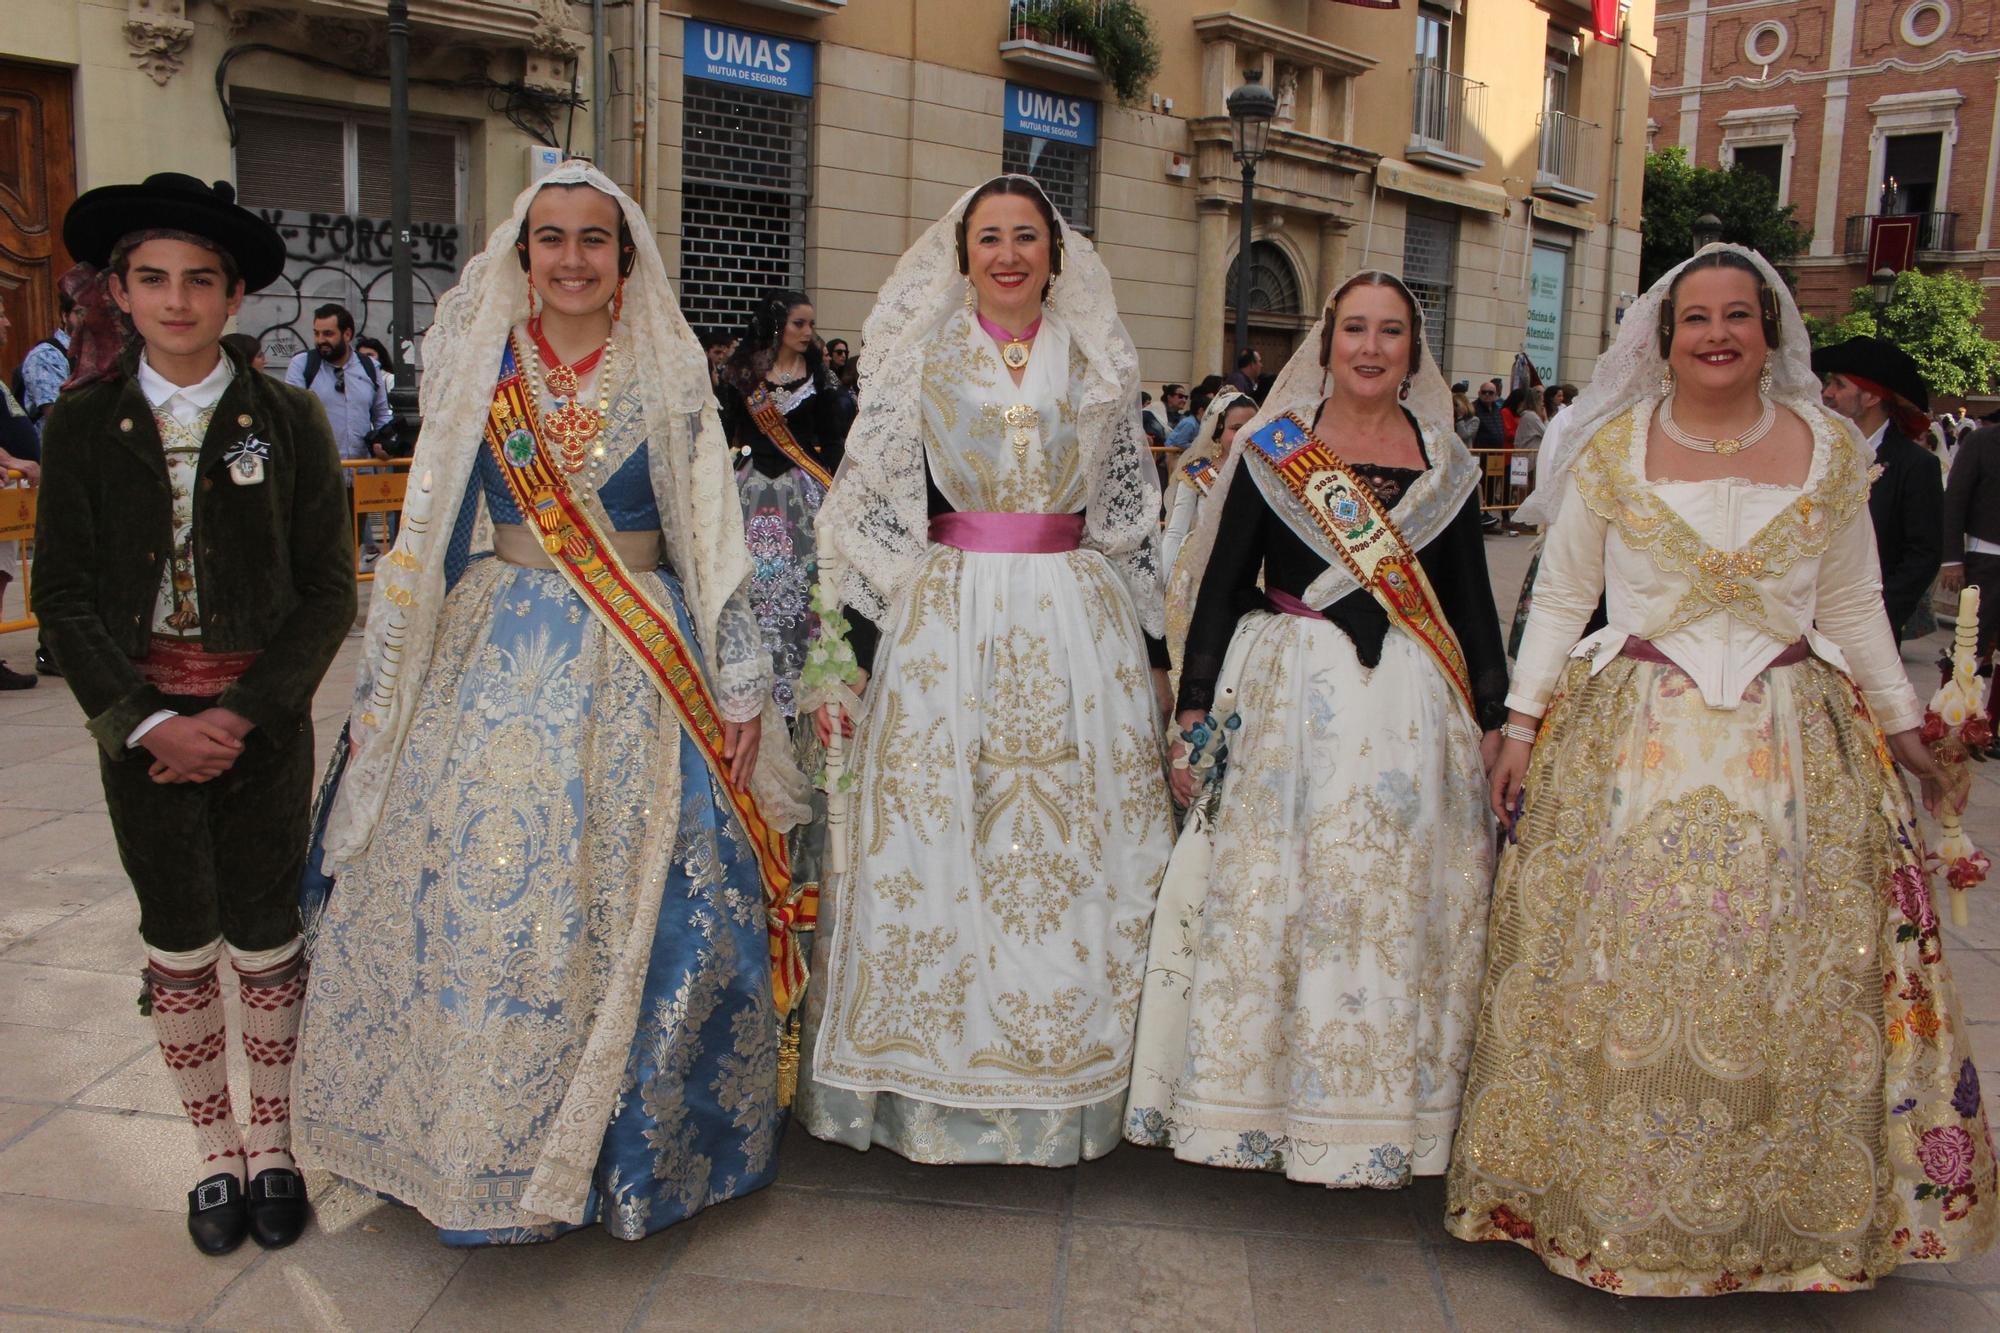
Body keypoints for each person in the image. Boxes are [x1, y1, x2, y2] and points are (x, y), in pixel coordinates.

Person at [1449, 245, 1995, 1294]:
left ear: (1767, 332)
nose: (1713, 334)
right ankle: (1606, 1207)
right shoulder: (1613, 447)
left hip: (1789, 746)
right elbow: (1562, 599)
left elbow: (1851, 608)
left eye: (1734, 316)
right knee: (1628, 963)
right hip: (1633, 740)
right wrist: (1519, 725)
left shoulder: (1830, 452)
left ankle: (1778, 1216)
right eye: (1693, 317)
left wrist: (1904, 732)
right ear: (1663, 340)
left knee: (1783, 971)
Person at [293, 161, 810, 1247]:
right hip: (498, 641)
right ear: (520, 254)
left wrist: (738, 671)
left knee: (639, 888)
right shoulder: (482, 368)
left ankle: (635, 1153)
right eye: (551, 239)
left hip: (640, 650)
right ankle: (476, 1131)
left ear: (625, 260)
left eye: (593, 239)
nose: (571, 258)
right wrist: (392, 675)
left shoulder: (667, 373)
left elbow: (710, 528)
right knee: (490, 880)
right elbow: (428, 531)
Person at [797, 174, 1174, 1166]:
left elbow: (1131, 523)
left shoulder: (1097, 361)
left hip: (1076, 623)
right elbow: (859, 517)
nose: (1007, 253)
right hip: (947, 622)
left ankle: (1076, 1084)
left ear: (1054, 252)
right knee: (943, 846)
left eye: (1025, 236)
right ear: (961, 254)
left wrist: (1154, 655)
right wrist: (841, 660)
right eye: (988, 237)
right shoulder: (918, 357)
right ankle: (930, 1085)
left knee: (1071, 850)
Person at [1126, 272, 1506, 1186]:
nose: (1371, 349)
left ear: (1414, 348)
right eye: (1355, 331)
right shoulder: (1274, 449)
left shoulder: (1446, 460)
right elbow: (1221, 588)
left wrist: (1496, 714)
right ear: (1326, 342)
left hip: (1413, 715)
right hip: (1293, 699)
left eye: (1391, 333)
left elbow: (1470, 604)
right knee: (1282, 896)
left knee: (1389, 909)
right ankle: (1255, 1102)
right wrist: (1192, 707)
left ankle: (1385, 1114)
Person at [34, 172, 354, 1255]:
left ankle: (274, 1144)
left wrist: (248, 715)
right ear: (118, 292)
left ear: (232, 298)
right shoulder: (79, 425)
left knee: (266, 935)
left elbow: (327, 591)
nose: (177, 300)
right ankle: (212, 1153)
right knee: (178, 937)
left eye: (200, 281)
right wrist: (144, 719)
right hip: (143, 731)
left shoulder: (291, 417)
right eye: (153, 279)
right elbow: (63, 595)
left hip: (260, 724)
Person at [717, 289, 848, 721]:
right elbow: (729, 433)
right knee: (754, 586)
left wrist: (835, 495)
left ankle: (802, 684)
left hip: (804, 496)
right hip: (751, 493)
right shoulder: (743, 376)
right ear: (775, 325)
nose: (808, 332)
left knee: (804, 589)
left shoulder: (821, 377)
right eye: (799, 324)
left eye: (810, 324)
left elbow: (832, 442)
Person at [1816, 336, 1943, 643]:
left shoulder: (1914, 465)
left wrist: (1874, 619)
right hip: (1801, 627)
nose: (1827, 392)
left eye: (1839, 384)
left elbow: (1922, 556)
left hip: (1866, 630)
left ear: (1871, 396)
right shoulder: (1815, 450)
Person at [1941, 416, 2000, 745]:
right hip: (1986, 557)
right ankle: (1948, 721)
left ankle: (1993, 726)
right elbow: (1955, 500)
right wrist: (1952, 559)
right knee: (1969, 643)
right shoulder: (1982, 443)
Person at [1159, 388, 1253, 592]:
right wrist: (1159, 585)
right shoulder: (1197, 471)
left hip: (1249, 570)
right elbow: (1176, 532)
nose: (1245, 434)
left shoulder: (1263, 473)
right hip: (1200, 572)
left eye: (1251, 426)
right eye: (1236, 428)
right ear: (1219, 429)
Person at [14, 284, 81, 426]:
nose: (87, 320)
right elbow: (59, 420)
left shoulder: (99, 354)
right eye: (80, 313)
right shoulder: (47, 355)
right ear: (64, 316)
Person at [1166, 374, 1226, 453]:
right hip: (1172, 454)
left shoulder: (1198, 423)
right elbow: (1180, 442)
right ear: (1201, 411)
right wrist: (1198, 448)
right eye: (1209, 412)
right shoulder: (1190, 423)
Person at [1471, 378, 1504, 446]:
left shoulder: (1498, 409)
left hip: (1497, 452)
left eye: (1490, 393)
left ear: (1495, 395)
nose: (1487, 394)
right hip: (1481, 452)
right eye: (1484, 392)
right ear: (1479, 393)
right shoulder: (1472, 408)